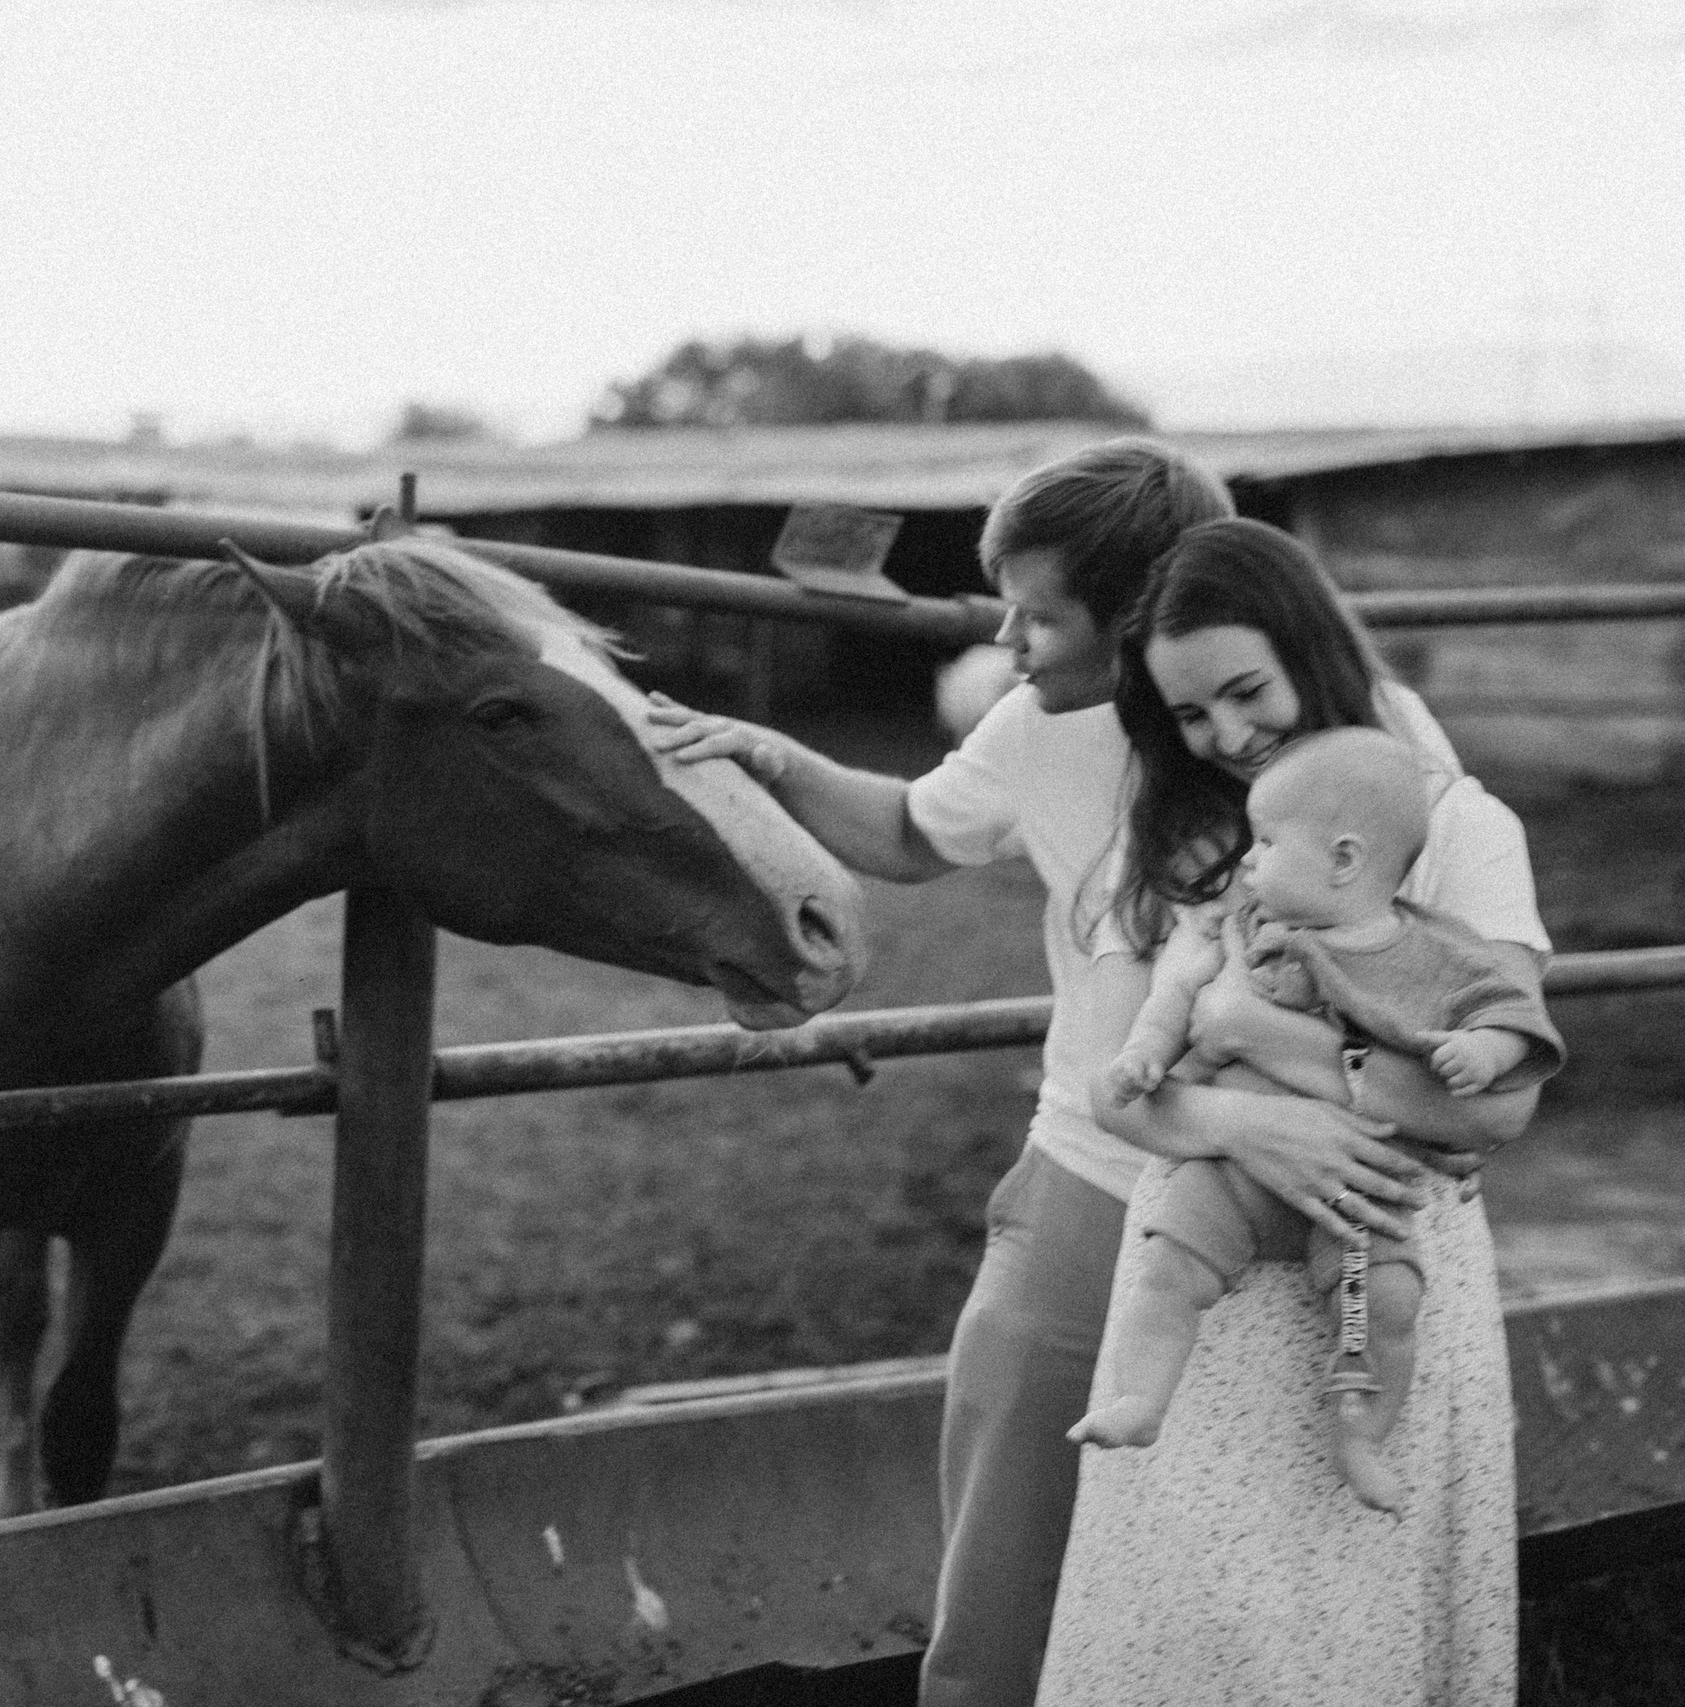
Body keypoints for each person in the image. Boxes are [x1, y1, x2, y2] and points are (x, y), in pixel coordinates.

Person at [647, 437, 1403, 1707]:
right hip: (1094, 1177)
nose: (1007, 637)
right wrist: (768, 757)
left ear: (1140, 617)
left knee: (1258, 1563)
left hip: (1298, 1203)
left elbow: (1442, 981)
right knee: (1006, 1550)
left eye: (1041, 614)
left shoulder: (1353, 749)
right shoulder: (1037, 730)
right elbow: (905, 830)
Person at [1032, 517, 1548, 1706]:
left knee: (1349, 1618)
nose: (1225, 737)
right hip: (1199, 1275)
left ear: (1307, 648)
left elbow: (1497, 1110)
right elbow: (1116, 1083)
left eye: (1243, 691)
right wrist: (1237, 1125)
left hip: (1382, 1247)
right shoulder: (1169, 845)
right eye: (1189, 717)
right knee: (1202, 1620)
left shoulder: (1455, 830)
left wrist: (1260, 1044)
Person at [1069, 725, 1562, 1513]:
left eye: (1265, 842)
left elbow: (1510, 1012)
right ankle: (1141, 1397)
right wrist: (1146, 1054)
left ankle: (1361, 1435)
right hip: (1232, 1173)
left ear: (1343, 859)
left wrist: (1487, 1052)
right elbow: (1174, 997)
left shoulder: (1435, 949)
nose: (1249, 860)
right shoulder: (1238, 929)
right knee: (1169, 1271)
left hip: (1359, 1191)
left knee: (1383, 1310)